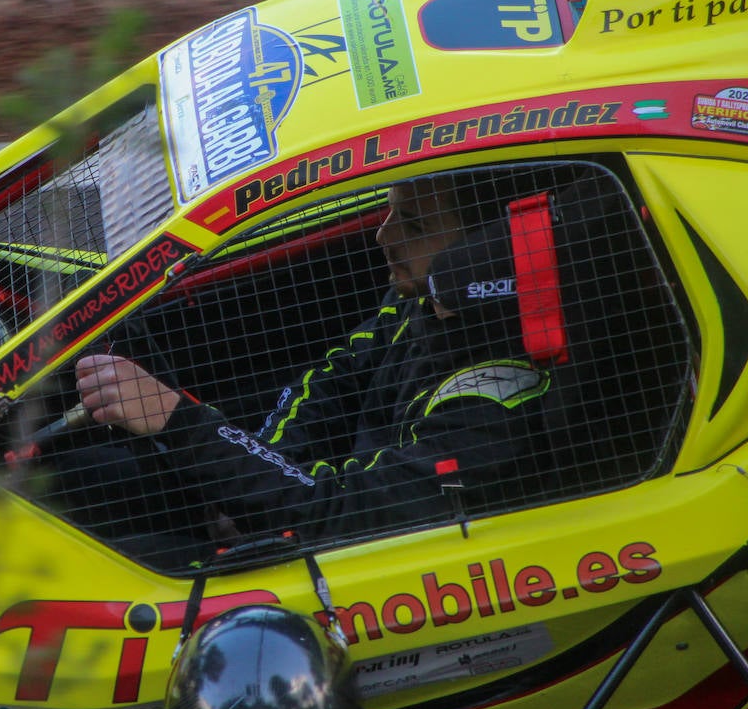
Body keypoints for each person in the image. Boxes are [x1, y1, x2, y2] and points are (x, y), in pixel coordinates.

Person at [71, 174, 553, 544]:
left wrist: (183, 425)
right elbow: (330, 378)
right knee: (94, 475)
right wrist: (259, 463)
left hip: (354, 558)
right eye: (392, 213)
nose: (384, 236)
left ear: (485, 252)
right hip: (314, 503)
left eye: (415, 225)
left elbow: (336, 515)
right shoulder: (423, 299)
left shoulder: (493, 406)